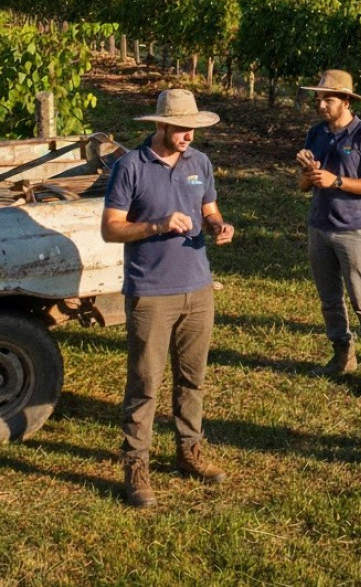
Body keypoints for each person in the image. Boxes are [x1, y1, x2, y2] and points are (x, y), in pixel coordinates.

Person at [101, 88, 234, 508]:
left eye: (193, 129)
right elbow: (111, 229)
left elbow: (209, 208)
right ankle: (135, 465)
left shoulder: (200, 162)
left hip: (198, 288)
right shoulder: (130, 167)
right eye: (180, 129)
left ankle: (188, 450)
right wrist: (156, 225)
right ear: (160, 125)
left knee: (192, 378)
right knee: (145, 383)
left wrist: (218, 226)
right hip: (151, 293)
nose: (188, 136)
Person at [296, 70, 361, 396]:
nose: (321, 104)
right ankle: (342, 355)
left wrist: (336, 181)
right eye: (319, 98)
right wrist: (310, 173)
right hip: (319, 226)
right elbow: (304, 185)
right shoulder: (316, 133)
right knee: (329, 299)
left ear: (346, 101)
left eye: (328, 99)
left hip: (353, 229)